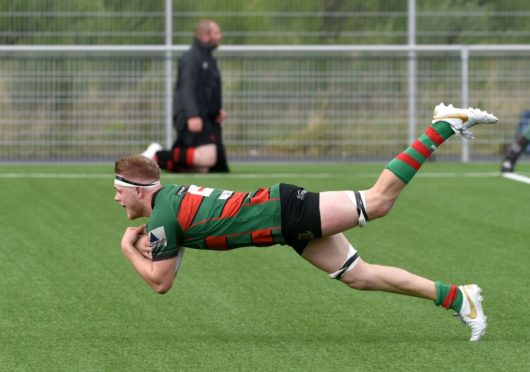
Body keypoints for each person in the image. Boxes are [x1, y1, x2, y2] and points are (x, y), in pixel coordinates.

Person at [114, 103, 498, 341]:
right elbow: (182, 235)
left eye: (119, 190)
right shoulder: (168, 202)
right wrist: (153, 240)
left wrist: (127, 248)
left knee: (377, 201)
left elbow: (160, 282)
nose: (116, 198)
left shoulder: (163, 215)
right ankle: (457, 297)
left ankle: (443, 126)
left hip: (284, 212)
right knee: (358, 276)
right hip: (283, 222)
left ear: (137, 189)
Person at [143, 19, 229, 173]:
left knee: (202, 168)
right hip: (191, 117)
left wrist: (218, 110)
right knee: (208, 158)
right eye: (216, 33)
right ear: (205, 35)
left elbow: (210, 90)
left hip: (205, 118)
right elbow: (186, 88)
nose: (220, 36)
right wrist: (192, 115)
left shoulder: (207, 58)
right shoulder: (192, 58)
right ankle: (156, 155)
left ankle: (155, 162)